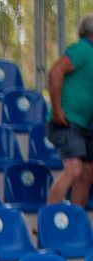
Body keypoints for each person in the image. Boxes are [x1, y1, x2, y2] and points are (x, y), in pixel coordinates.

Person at [46, 14, 93, 207]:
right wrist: (57, 110)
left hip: (87, 126)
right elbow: (55, 71)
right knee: (74, 171)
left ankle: (75, 226)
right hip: (68, 123)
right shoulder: (82, 49)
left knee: (86, 176)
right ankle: (47, 225)